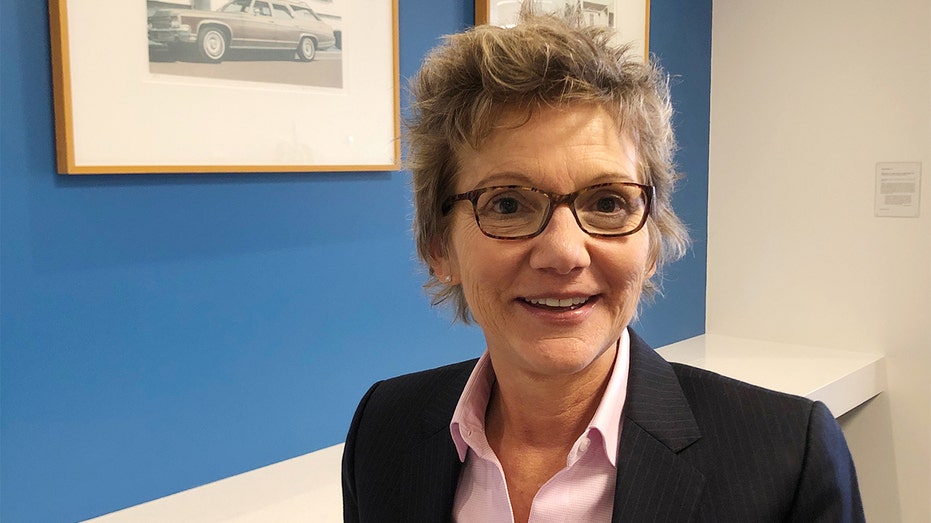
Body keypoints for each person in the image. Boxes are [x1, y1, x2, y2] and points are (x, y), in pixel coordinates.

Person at [342, 10, 864, 523]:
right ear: (439, 246)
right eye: (507, 204)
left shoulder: (787, 458)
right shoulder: (384, 427)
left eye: (609, 203)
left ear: (653, 238)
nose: (565, 253)